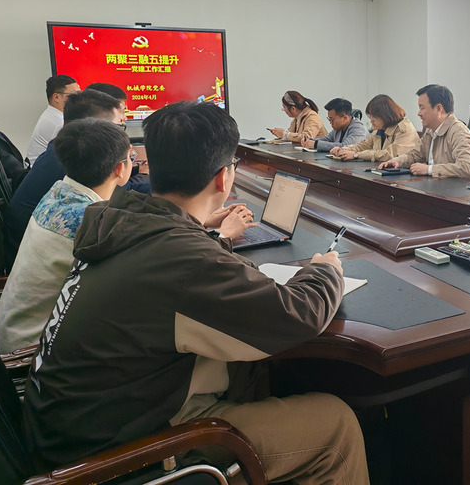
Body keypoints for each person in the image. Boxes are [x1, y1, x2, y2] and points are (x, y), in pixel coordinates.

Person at [22, 102, 370, 484]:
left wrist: (202, 231)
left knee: (252, 371)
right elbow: (298, 313)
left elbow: (176, 268)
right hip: (118, 459)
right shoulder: (181, 258)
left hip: (69, 429)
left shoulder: (120, 220)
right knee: (336, 427)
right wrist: (324, 270)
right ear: (224, 178)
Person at [0, 118, 134, 354]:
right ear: (119, 169)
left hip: (10, 335)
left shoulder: (58, 192)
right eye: (131, 157)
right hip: (33, 353)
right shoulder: (91, 222)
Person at [3, 90, 151, 269]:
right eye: (119, 127)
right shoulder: (91, 222)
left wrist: (132, 168)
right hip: (19, 264)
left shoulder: (62, 169)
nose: (122, 134)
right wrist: (145, 174)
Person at [378, 85, 470, 179]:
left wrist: (429, 169)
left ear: (439, 109)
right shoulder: (431, 130)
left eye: (422, 108)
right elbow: (415, 155)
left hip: (460, 192)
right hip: (438, 188)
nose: (419, 113)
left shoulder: (459, 131)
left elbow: (467, 167)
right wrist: (396, 161)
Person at [331, 94, 419, 161]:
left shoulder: (404, 128)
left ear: (385, 115)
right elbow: (364, 145)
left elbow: (390, 154)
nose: (371, 121)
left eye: (374, 117)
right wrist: (343, 150)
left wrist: (356, 155)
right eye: (370, 116)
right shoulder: (380, 129)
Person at [26, 75, 80, 164]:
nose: (79, 98)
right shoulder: (58, 123)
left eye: (80, 93)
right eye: (74, 94)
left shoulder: (53, 114)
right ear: (56, 97)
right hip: (43, 169)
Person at [301, 97, 367, 152]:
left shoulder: (359, 129)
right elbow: (326, 139)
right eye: (329, 119)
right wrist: (309, 141)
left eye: (332, 119)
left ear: (345, 118)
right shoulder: (339, 128)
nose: (330, 122)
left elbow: (345, 146)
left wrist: (315, 144)